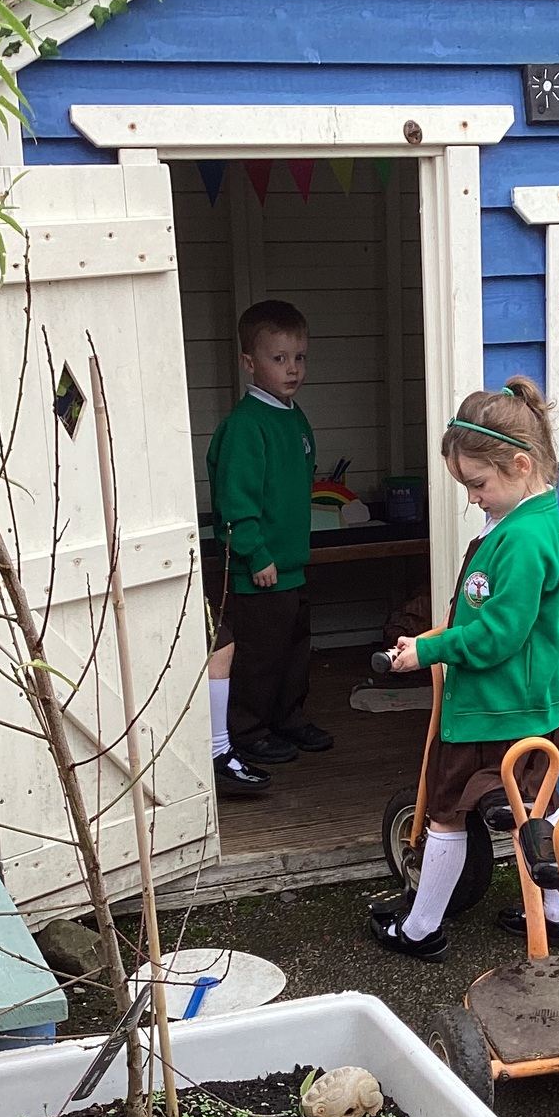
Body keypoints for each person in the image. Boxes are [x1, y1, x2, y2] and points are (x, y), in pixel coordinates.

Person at [370, 378, 559, 961]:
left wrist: (431, 651)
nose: (472, 497)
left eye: (478, 484)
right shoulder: (527, 518)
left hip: (493, 707)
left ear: (520, 464)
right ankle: (558, 915)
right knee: (538, 806)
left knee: (447, 811)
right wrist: (438, 636)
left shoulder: (522, 538)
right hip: (526, 703)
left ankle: (420, 930)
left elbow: (500, 634)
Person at [206, 299, 333, 796]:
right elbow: (235, 502)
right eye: (278, 359)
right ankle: (248, 730)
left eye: (299, 357)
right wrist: (254, 554)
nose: (292, 368)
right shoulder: (246, 426)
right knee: (257, 656)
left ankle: (287, 718)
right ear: (249, 362)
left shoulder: (293, 417)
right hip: (258, 570)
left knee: (293, 650)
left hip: (292, 565)